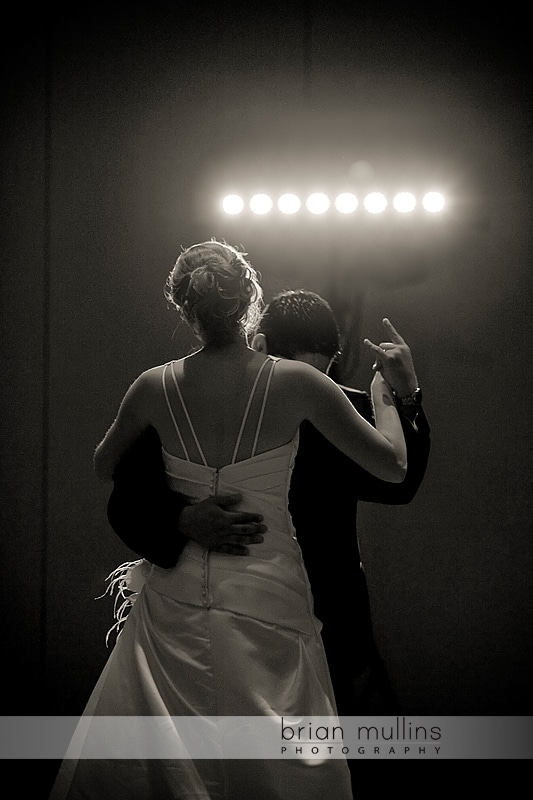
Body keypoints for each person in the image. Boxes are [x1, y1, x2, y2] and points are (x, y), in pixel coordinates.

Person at [50, 239, 407, 800]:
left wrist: (183, 504)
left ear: (183, 308)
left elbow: (103, 464)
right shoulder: (298, 383)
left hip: (177, 596)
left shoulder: (153, 386)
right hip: (267, 587)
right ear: (250, 298)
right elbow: (392, 467)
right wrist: (389, 398)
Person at [107, 290, 430, 722]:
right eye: (301, 370)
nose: (315, 388)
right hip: (223, 608)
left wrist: (408, 396)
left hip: (332, 614)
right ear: (258, 346)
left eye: (325, 373)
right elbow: (126, 497)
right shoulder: (190, 400)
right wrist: (182, 519)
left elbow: (400, 483)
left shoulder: (345, 407)